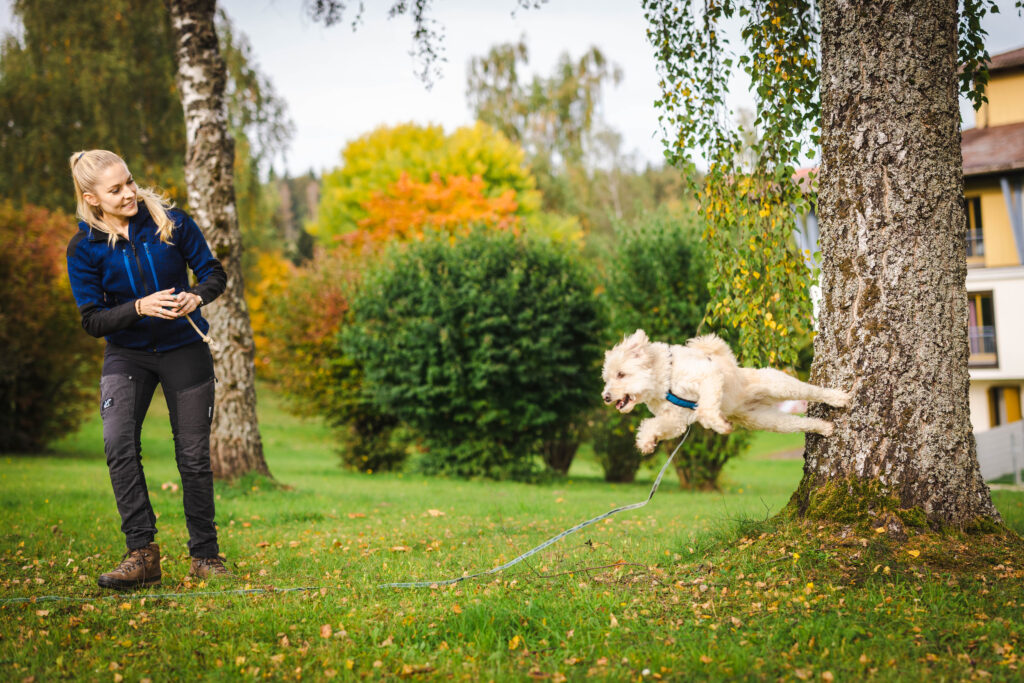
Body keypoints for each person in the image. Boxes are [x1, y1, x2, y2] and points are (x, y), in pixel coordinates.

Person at [66, 149, 231, 590]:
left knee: (193, 457)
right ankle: (142, 554)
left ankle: (205, 556)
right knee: (118, 443)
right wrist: (138, 307)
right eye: (116, 189)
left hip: (184, 348)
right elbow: (92, 320)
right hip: (128, 356)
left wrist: (197, 296)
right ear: (92, 197)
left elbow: (214, 273)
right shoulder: (84, 248)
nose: (129, 193)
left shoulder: (171, 223)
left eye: (130, 182)